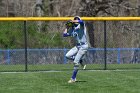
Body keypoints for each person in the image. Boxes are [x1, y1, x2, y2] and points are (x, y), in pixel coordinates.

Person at [63, 16, 89, 83]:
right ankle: (80, 60)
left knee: (75, 62)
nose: (76, 21)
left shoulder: (81, 26)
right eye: (75, 20)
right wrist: (67, 27)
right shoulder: (73, 28)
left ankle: (73, 78)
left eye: (77, 20)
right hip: (78, 46)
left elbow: (82, 22)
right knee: (67, 56)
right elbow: (64, 35)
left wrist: (73, 21)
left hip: (83, 46)